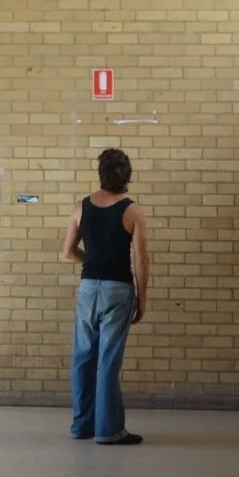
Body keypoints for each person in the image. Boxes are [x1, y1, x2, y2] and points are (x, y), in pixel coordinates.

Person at [61, 148, 150, 445]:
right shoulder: (132, 210)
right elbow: (141, 261)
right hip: (118, 289)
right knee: (108, 360)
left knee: (83, 357)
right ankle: (108, 430)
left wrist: (92, 261)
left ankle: (81, 425)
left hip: (88, 289)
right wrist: (142, 298)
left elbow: (68, 251)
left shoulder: (81, 207)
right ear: (126, 176)